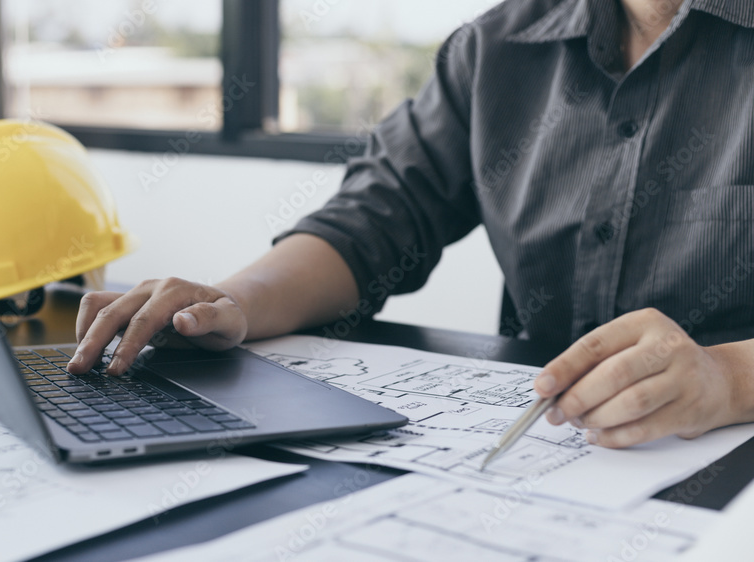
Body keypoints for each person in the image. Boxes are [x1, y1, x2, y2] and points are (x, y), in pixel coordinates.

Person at [67, 0, 754, 449]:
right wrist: (232, 301)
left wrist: (724, 378)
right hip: (547, 454)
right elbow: (374, 220)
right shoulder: (497, 47)